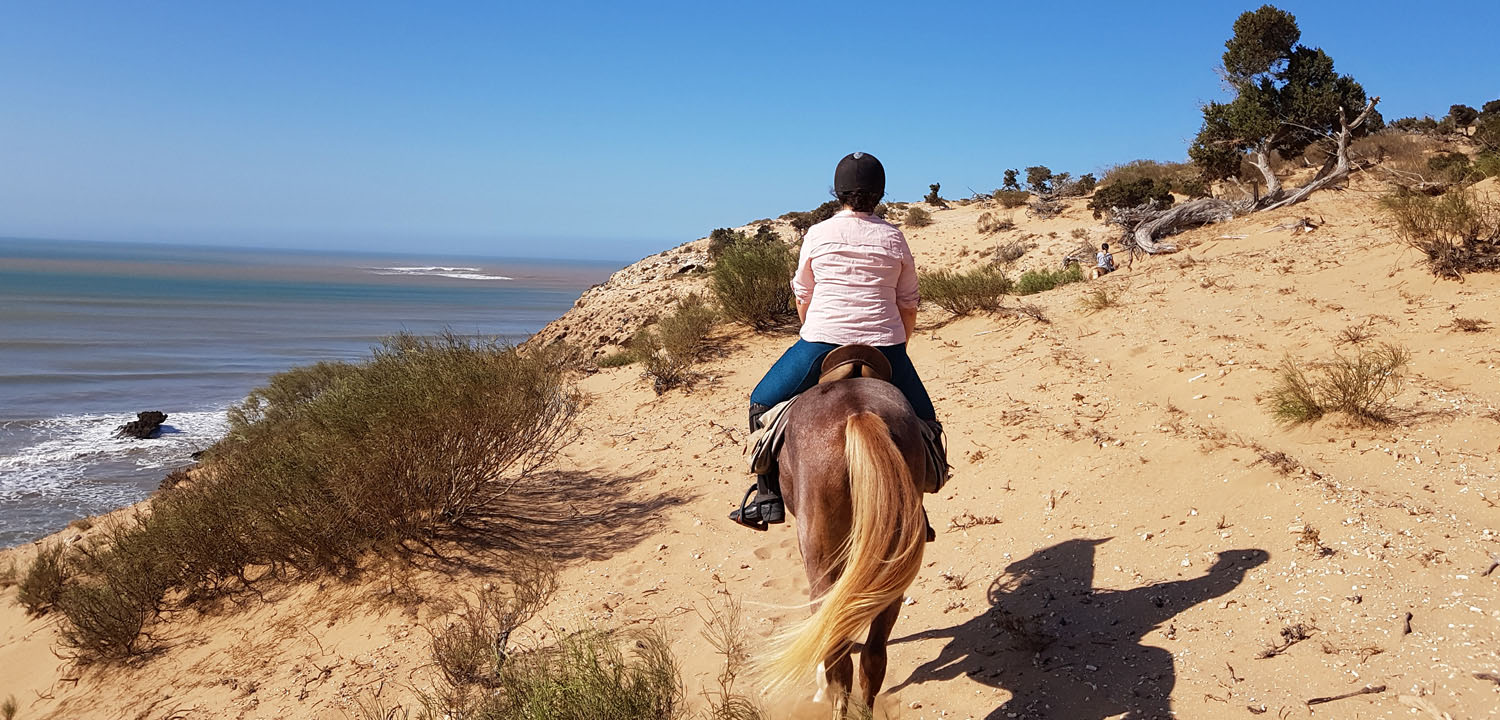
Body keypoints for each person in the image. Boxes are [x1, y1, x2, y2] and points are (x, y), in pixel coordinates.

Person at [730, 152, 942, 529]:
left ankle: (767, 498)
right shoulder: (894, 237)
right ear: (879, 193)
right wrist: (899, 345)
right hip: (885, 346)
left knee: (761, 400)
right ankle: (921, 493)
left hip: (822, 342)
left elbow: (803, 295)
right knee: (925, 419)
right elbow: (908, 303)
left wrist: (814, 329)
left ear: (838, 191)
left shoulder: (818, 233)